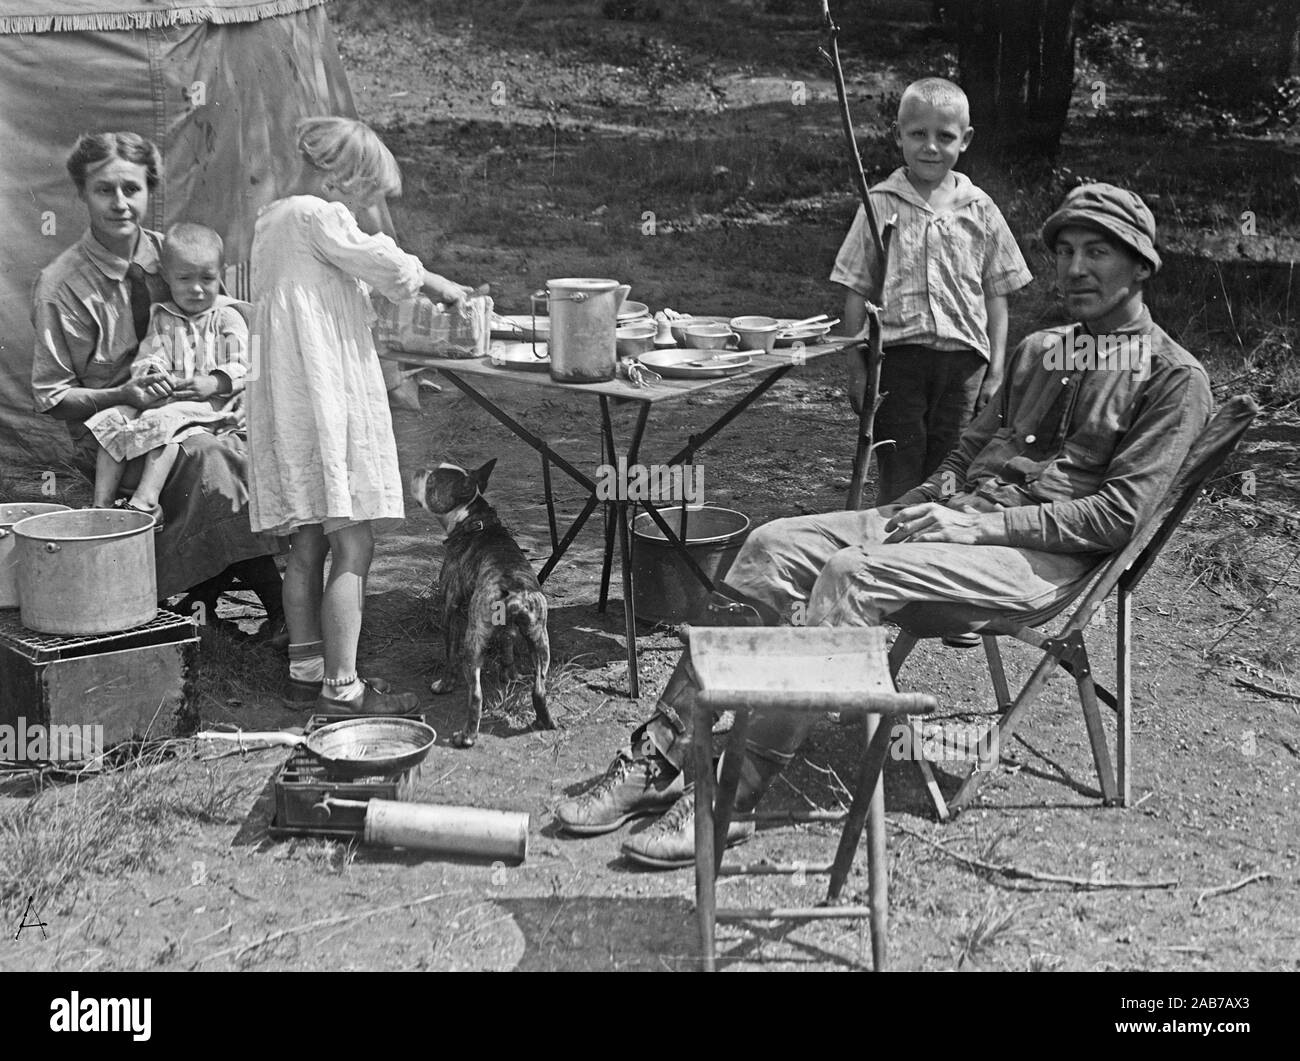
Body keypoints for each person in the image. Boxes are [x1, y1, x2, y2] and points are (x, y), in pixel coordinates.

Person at [556, 182, 1214, 868]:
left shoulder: (1173, 379)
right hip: (953, 524)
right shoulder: (1042, 349)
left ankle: (732, 797)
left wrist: (974, 530)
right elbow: (965, 452)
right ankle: (663, 751)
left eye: (1098, 253)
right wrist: (919, 506)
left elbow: (1116, 516)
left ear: (1141, 265)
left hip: (1035, 562)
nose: (1076, 268)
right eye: (1067, 252)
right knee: (772, 546)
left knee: (849, 577)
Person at [248, 116, 472, 711]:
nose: (368, 207)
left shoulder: (270, 221)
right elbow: (383, 262)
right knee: (354, 545)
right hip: (325, 403)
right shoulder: (320, 215)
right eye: (366, 192)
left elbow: (325, 292)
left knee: (307, 543)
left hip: (289, 405)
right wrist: (437, 283)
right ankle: (343, 688)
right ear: (338, 178)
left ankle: (304, 670)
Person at [31, 131, 284, 632]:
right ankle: (271, 610)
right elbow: (53, 398)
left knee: (245, 445)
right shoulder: (61, 286)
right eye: (105, 190)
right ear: (81, 193)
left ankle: (204, 597)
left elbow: (229, 335)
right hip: (113, 429)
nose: (121, 204)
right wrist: (125, 393)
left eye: (133, 189)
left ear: (149, 192)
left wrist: (241, 393)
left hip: (202, 410)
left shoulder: (183, 256)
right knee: (210, 459)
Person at [833, 77, 1032, 505]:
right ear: (899, 136)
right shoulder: (879, 203)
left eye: (945, 136)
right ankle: (888, 552)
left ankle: (936, 547)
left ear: (966, 140)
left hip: (964, 366)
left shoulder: (979, 208)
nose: (930, 147)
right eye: (918, 134)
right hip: (896, 362)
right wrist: (856, 368)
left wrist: (995, 371)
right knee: (899, 465)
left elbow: (997, 294)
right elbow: (855, 291)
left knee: (953, 467)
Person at [87, 222, 250, 526]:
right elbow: (150, 356)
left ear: (221, 273)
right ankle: (101, 505)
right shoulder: (163, 317)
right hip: (171, 400)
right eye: (185, 279)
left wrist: (215, 381)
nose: (197, 288)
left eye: (207, 278)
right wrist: (153, 375)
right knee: (115, 416)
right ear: (165, 276)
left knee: (164, 421)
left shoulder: (226, 315)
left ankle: (147, 502)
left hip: (214, 405)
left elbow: (244, 365)